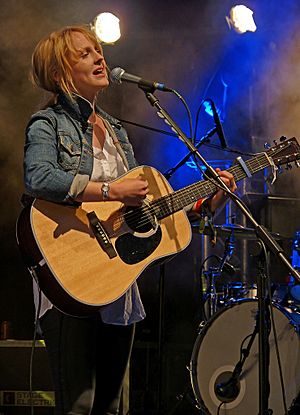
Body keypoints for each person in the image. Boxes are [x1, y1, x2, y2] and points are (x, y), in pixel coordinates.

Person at [23, 25, 237, 415]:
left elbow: (143, 208)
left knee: (112, 405)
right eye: (84, 53)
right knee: (80, 405)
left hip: (116, 279)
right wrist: (109, 192)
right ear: (59, 73)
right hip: (71, 271)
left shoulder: (117, 129)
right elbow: (38, 178)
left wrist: (205, 203)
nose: (99, 57)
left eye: (98, 50)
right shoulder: (49, 123)